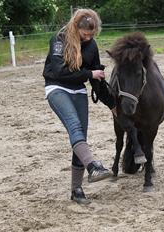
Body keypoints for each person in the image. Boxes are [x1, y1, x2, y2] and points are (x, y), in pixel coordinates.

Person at [42, 8, 116, 204]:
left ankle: (76, 190)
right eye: (85, 34)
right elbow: (59, 71)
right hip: (57, 88)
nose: (88, 38)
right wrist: (89, 74)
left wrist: (112, 104)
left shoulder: (91, 45)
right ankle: (93, 166)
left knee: (80, 138)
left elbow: (97, 79)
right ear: (76, 27)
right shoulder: (59, 39)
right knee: (74, 126)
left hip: (78, 91)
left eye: (92, 34)